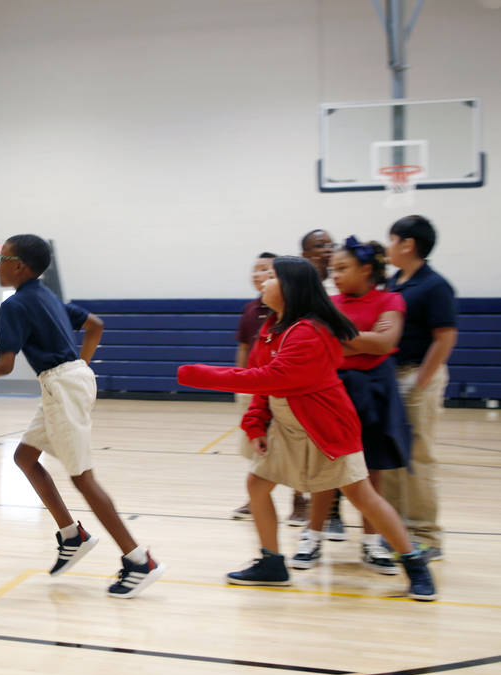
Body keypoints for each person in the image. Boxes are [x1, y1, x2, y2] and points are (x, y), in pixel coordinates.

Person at [177, 256, 436, 601]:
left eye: (271, 276)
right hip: (286, 424)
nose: (263, 281)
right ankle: (272, 563)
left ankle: (415, 563)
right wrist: (255, 424)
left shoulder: (310, 332)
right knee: (257, 485)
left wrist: (196, 374)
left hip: (325, 425)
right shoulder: (271, 329)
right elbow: (263, 385)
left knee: (363, 496)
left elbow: (270, 377)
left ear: (289, 287)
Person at [0, 234, 166, 599]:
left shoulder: (15, 305)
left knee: (83, 479)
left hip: (63, 384)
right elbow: (95, 324)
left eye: (1, 257)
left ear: (19, 265)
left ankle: (139, 560)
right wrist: (79, 366)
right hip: (65, 382)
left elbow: (4, 365)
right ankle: (71, 535)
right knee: (24, 457)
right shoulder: (48, 295)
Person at [292, 237, 410, 576]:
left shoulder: (391, 299)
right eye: (333, 270)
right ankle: (312, 536)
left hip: (375, 392)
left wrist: (341, 338)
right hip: (334, 391)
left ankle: (373, 544)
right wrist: (364, 341)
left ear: (366, 269)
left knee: (372, 470)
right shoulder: (328, 302)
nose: (335, 275)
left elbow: (385, 342)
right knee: (327, 468)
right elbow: (327, 344)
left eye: (343, 268)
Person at [378, 215, 457, 562]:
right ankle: (396, 531)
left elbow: (445, 337)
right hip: (392, 378)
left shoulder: (435, 285)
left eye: (392, 240)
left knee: (418, 458)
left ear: (408, 244)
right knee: (392, 455)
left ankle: (427, 535)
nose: (388, 247)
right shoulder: (396, 281)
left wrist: (420, 383)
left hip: (417, 377)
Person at [232, 251, 309, 525]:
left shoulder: (297, 323)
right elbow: (244, 347)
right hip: (257, 387)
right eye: (255, 269)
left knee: (294, 450)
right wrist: (241, 380)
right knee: (258, 445)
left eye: (267, 271)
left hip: (285, 394)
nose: (258, 275)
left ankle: (301, 500)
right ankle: (257, 498)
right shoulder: (252, 310)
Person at [300, 228, 346, 539]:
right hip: (306, 379)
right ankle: (312, 513)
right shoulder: (300, 286)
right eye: (319, 245)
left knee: (340, 452)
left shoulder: (343, 280)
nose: (327, 249)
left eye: (330, 243)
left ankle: (335, 513)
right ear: (305, 254)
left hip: (338, 376)